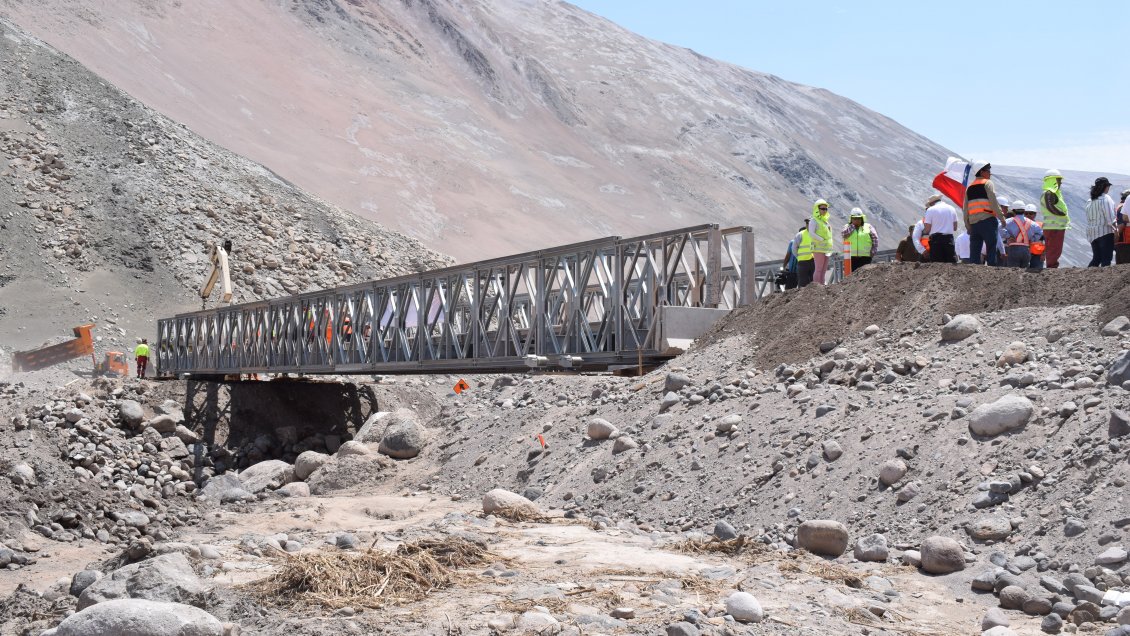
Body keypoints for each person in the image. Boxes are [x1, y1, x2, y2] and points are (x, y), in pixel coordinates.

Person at [963, 160, 1003, 265]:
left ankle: (973, 275)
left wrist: (968, 225)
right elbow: (994, 202)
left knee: (974, 253)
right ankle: (992, 275)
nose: (990, 173)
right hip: (988, 221)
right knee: (991, 249)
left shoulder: (969, 188)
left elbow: (965, 209)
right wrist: (1002, 218)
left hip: (974, 225)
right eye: (988, 170)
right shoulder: (988, 183)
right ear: (981, 172)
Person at [1040, 169, 1070, 269]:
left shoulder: (1052, 193)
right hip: (1054, 226)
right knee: (1054, 249)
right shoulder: (1050, 193)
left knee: (1054, 248)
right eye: (1058, 180)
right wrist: (1062, 214)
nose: (1060, 183)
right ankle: (1051, 268)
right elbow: (1050, 207)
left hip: (1053, 226)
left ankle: (1051, 267)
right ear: (1051, 180)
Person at [1085, 177, 1117, 267]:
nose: (1108, 188)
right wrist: (1116, 231)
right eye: (1108, 186)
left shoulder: (1089, 201)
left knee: (1097, 258)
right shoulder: (1105, 199)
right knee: (1106, 260)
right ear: (1105, 187)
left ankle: (1087, 277)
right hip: (1105, 233)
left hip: (1092, 233)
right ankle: (1106, 280)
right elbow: (1110, 219)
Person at [1003, 202, 1043, 268]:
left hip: (1013, 249)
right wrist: (1032, 239)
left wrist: (1008, 236)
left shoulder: (1008, 221)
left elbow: (999, 229)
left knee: (1012, 271)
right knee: (1024, 272)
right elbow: (1040, 232)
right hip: (1026, 250)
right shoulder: (1032, 223)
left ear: (1013, 211)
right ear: (1024, 211)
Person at [808, 199, 833, 285]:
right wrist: (821, 239)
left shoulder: (825, 222)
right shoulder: (813, 220)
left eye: (826, 209)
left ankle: (822, 287)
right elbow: (811, 233)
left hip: (826, 249)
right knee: (818, 269)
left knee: (824, 269)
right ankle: (816, 287)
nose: (825, 210)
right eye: (822, 208)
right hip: (818, 248)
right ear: (817, 209)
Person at [793, 219, 817, 288]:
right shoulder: (800, 234)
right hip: (802, 263)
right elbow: (794, 249)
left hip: (813, 261)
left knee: (813, 282)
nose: (808, 225)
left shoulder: (815, 234)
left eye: (809, 223)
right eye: (807, 223)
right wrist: (799, 257)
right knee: (803, 283)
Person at [1024, 204, 1046, 268]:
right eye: (1026, 213)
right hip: (1024, 253)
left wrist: (1044, 254)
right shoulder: (1019, 225)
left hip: (1037, 255)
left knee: (1036, 275)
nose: (1028, 215)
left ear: (1035, 214)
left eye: (1031, 213)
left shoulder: (1041, 225)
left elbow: (1047, 241)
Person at [1116, 189, 1130, 265]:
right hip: (1126, 241)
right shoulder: (1123, 208)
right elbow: (1121, 225)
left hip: (1121, 242)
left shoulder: (1119, 207)